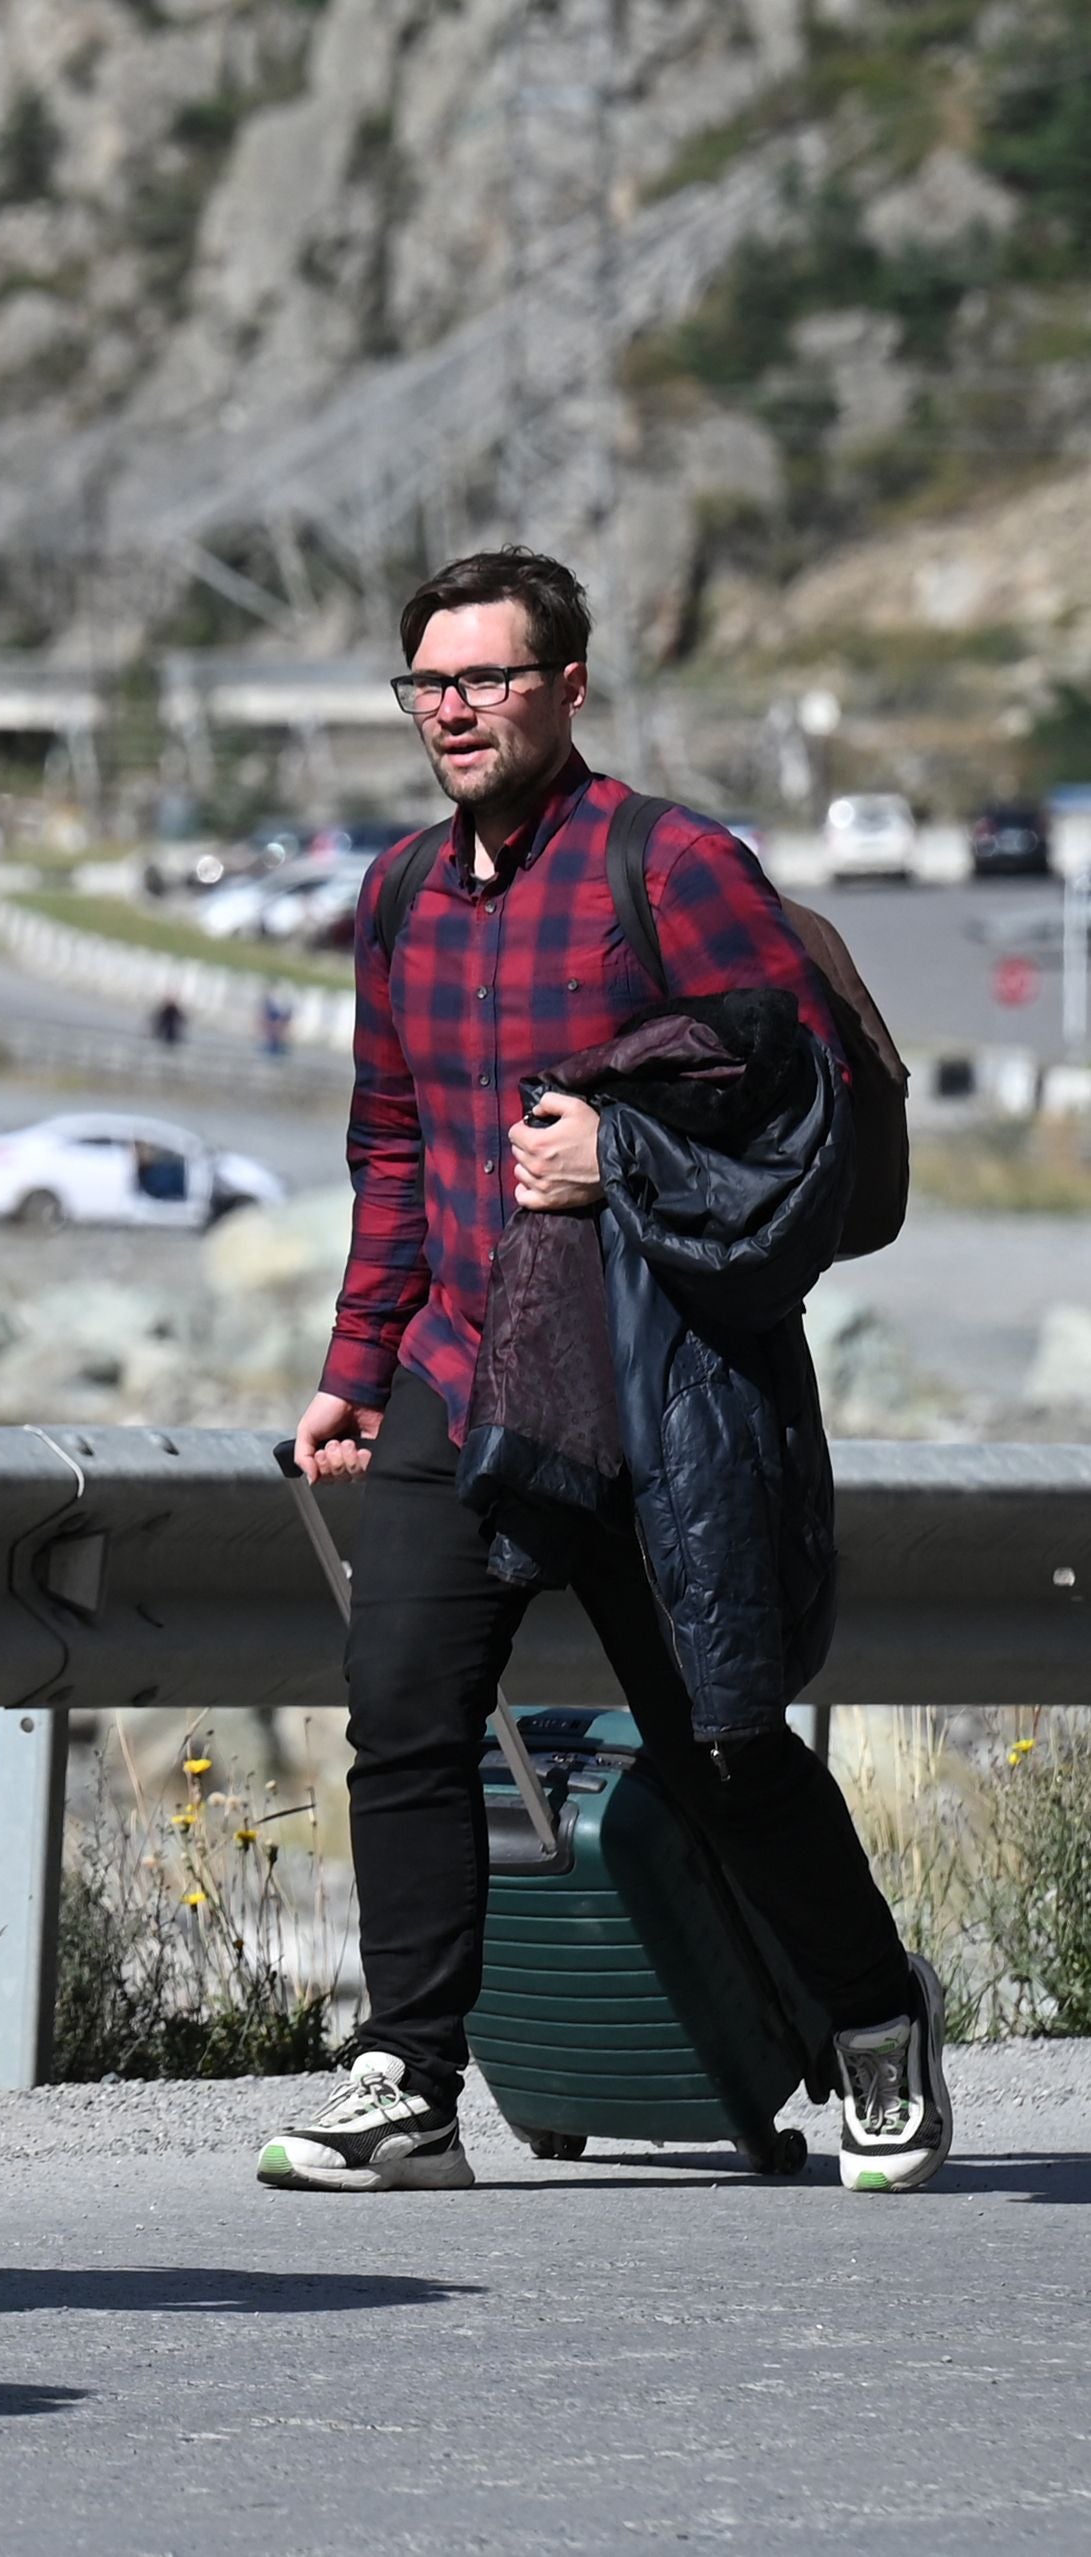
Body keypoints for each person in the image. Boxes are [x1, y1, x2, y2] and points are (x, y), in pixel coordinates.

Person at [268, 547, 947, 2195]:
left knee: (717, 1742)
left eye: (487, 678)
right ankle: (409, 2081)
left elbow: (793, 1099)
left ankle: (872, 2024)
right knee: (403, 1717)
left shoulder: (677, 865)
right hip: (460, 1365)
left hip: (655, 1383)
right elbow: (391, 1146)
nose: (453, 711)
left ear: (568, 688)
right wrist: (357, 1365)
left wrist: (619, 1146)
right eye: (429, 683)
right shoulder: (400, 897)